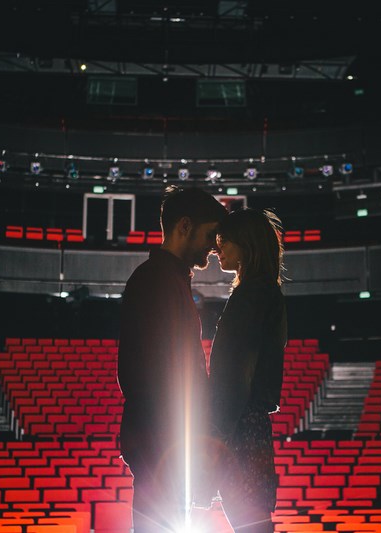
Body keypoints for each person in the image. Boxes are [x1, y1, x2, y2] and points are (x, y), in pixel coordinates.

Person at [117, 185, 227, 533]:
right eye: (211, 234)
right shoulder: (155, 281)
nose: (214, 245)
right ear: (184, 226)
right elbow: (145, 373)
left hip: (168, 444)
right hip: (163, 444)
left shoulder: (167, 279)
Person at [207, 208, 287, 533]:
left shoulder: (251, 296)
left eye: (223, 242)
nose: (216, 250)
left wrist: (217, 432)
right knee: (252, 519)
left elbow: (235, 373)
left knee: (249, 521)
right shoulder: (267, 292)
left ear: (245, 243)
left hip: (239, 422)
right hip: (250, 421)